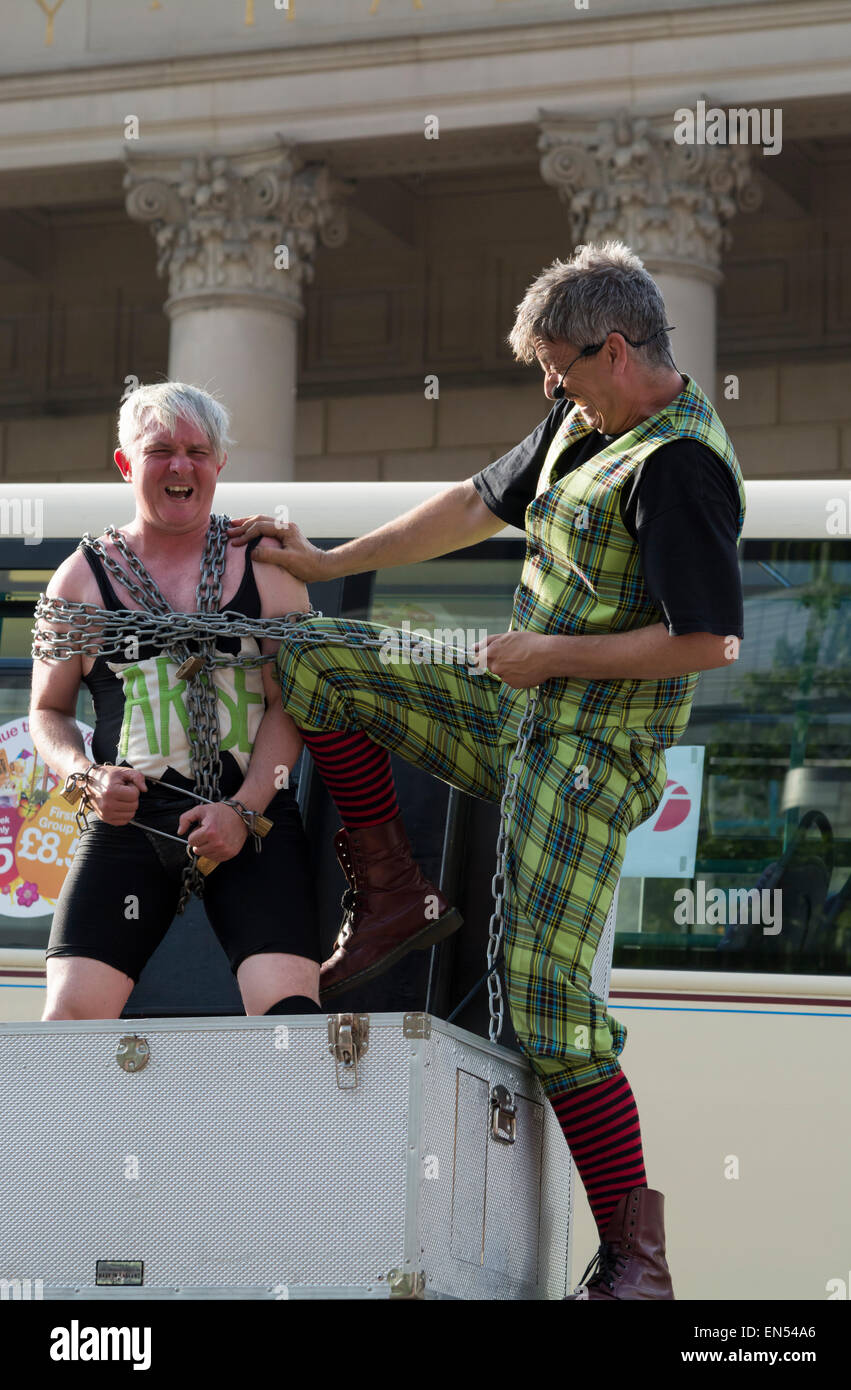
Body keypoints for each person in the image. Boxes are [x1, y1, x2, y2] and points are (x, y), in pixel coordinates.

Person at [228, 240, 746, 1299]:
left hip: (593, 755)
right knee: (318, 660)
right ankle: (391, 895)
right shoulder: (580, 417)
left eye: (557, 367)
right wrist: (324, 563)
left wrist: (547, 653)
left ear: (613, 348)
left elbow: (707, 643)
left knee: (545, 1005)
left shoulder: (678, 464)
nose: (547, 389)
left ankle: (637, 1267)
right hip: (514, 710)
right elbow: (471, 502)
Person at [30, 382, 455, 1023]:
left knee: (290, 1018)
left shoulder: (264, 565)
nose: (181, 466)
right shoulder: (83, 578)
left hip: (252, 816)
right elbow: (48, 711)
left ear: (219, 464)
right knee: (67, 1026)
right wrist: (84, 777)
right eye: (161, 451)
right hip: (127, 822)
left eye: (198, 452)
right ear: (125, 463)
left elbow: (295, 701)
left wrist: (244, 808)